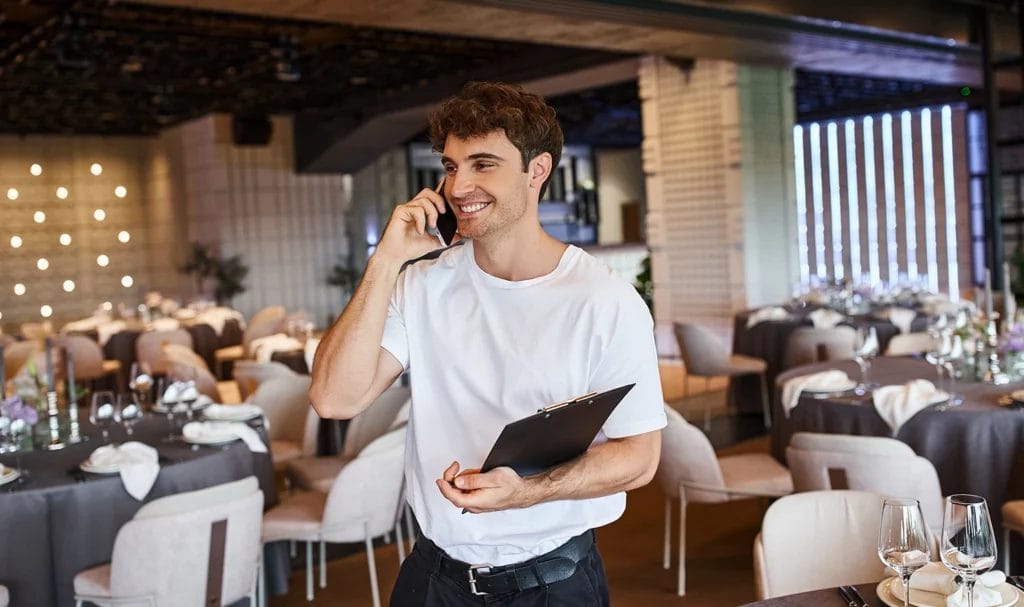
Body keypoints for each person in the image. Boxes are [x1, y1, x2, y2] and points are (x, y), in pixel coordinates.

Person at [310, 81, 666, 606]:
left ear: (537, 170)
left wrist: (528, 492)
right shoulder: (421, 283)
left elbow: (639, 458)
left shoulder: (604, 300)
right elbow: (334, 399)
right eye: (452, 166)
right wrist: (385, 261)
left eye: (483, 164)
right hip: (433, 579)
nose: (458, 187)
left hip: (555, 585)